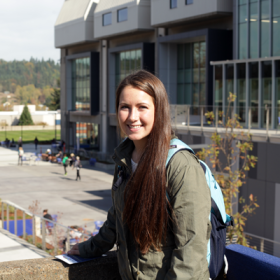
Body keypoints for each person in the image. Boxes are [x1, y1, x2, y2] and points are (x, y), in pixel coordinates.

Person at [67, 70, 211, 279]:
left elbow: (192, 249)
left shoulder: (180, 165)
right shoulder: (124, 159)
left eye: (142, 107)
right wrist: (90, 248)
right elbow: (117, 218)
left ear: (158, 110)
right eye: (125, 107)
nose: (132, 117)